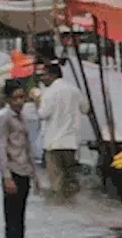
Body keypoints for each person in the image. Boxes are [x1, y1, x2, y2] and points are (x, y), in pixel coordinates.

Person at [37, 61, 90, 198]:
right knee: (70, 180)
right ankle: (73, 208)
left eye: (44, 75)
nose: (41, 78)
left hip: (53, 143)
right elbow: (86, 109)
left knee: (57, 184)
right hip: (71, 143)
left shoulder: (49, 93)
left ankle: (60, 209)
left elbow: (42, 114)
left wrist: (37, 101)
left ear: (52, 75)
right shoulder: (74, 90)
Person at [0, 79, 37, 238]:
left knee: (21, 217)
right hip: (12, 172)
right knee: (12, 219)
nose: (20, 101)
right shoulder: (5, 119)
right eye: (15, 98)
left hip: (24, 170)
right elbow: (1, 148)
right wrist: (6, 177)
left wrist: (35, 174)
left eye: (22, 97)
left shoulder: (23, 117)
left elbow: (28, 147)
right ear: (8, 100)